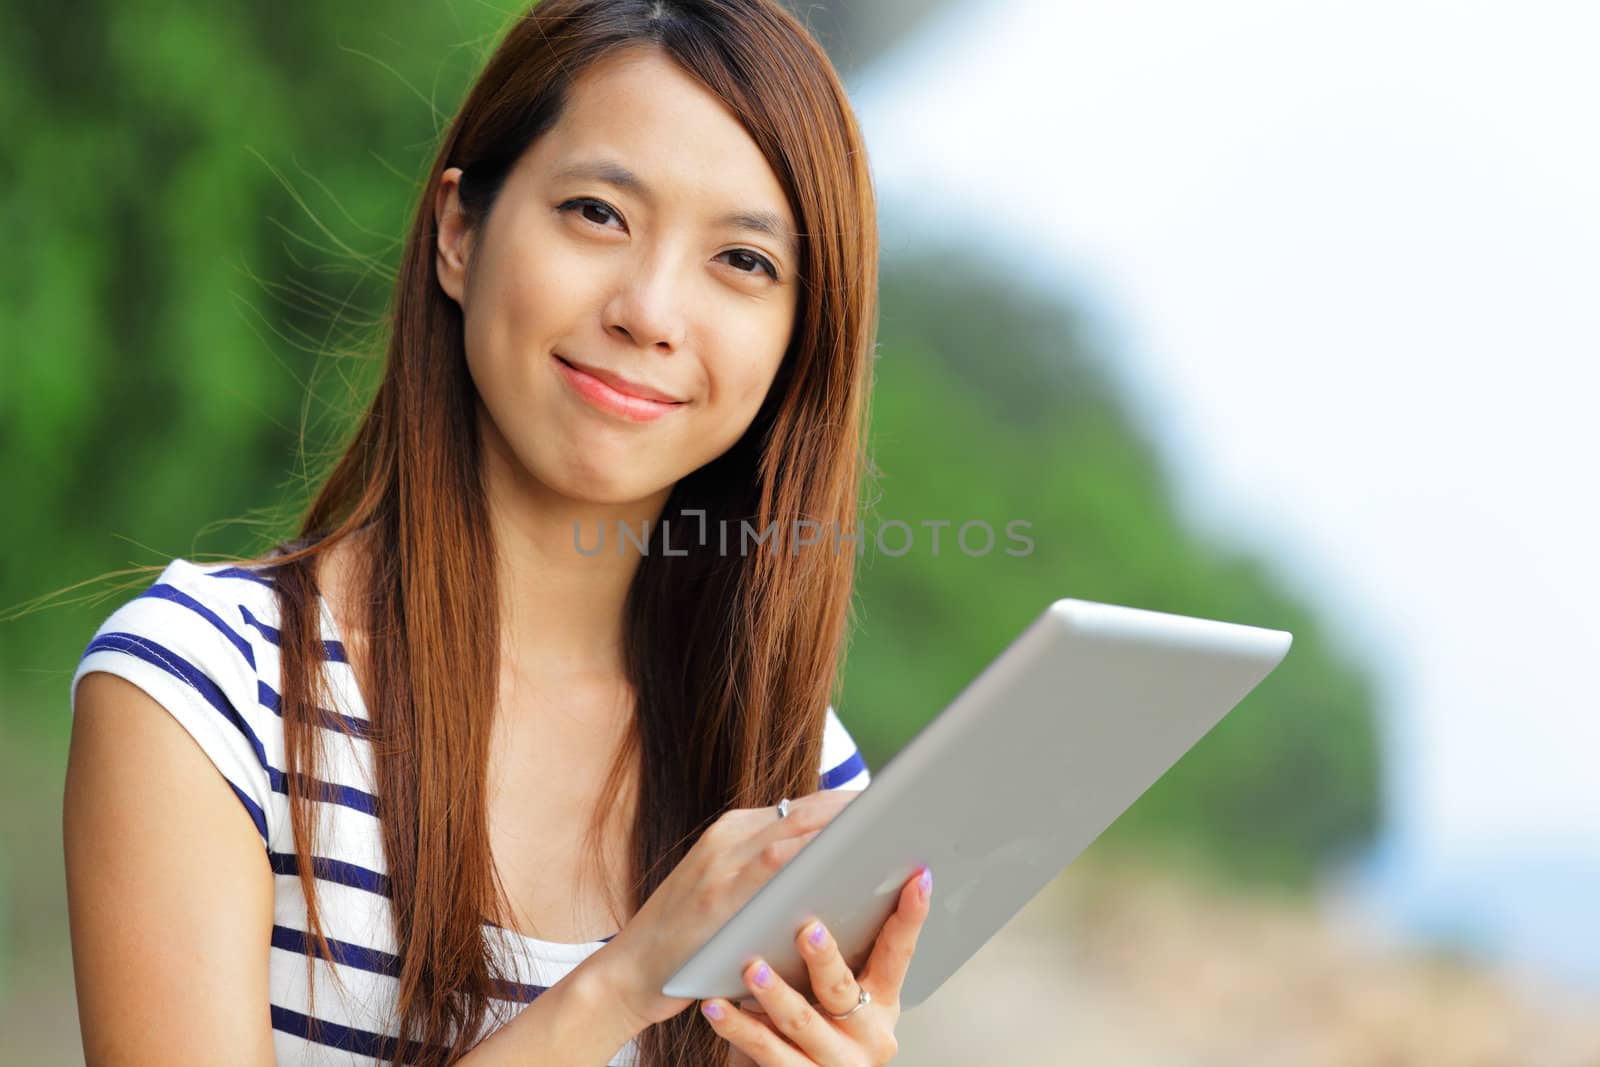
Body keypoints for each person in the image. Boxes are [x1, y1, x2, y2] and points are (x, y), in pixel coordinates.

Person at [62, 1, 932, 1065]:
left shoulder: (798, 779)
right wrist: (617, 987)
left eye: (743, 261)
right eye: (598, 213)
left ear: (801, 341)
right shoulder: (208, 686)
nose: (650, 309)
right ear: (460, 232)